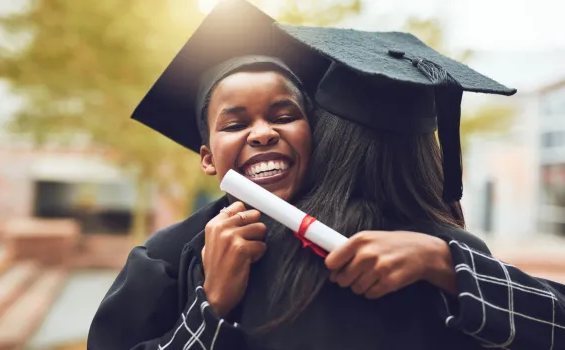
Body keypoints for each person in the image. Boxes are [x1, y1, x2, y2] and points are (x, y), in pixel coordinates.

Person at [254, 24, 564, 350]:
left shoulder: (255, 238)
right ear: (428, 153)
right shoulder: (454, 260)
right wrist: (446, 263)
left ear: (323, 136)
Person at [88, 1, 328, 349]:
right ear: (208, 159)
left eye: (283, 116)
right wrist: (212, 301)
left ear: (314, 136)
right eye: (235, 124)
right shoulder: (164, 259)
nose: (262, 134)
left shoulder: (357, 236)